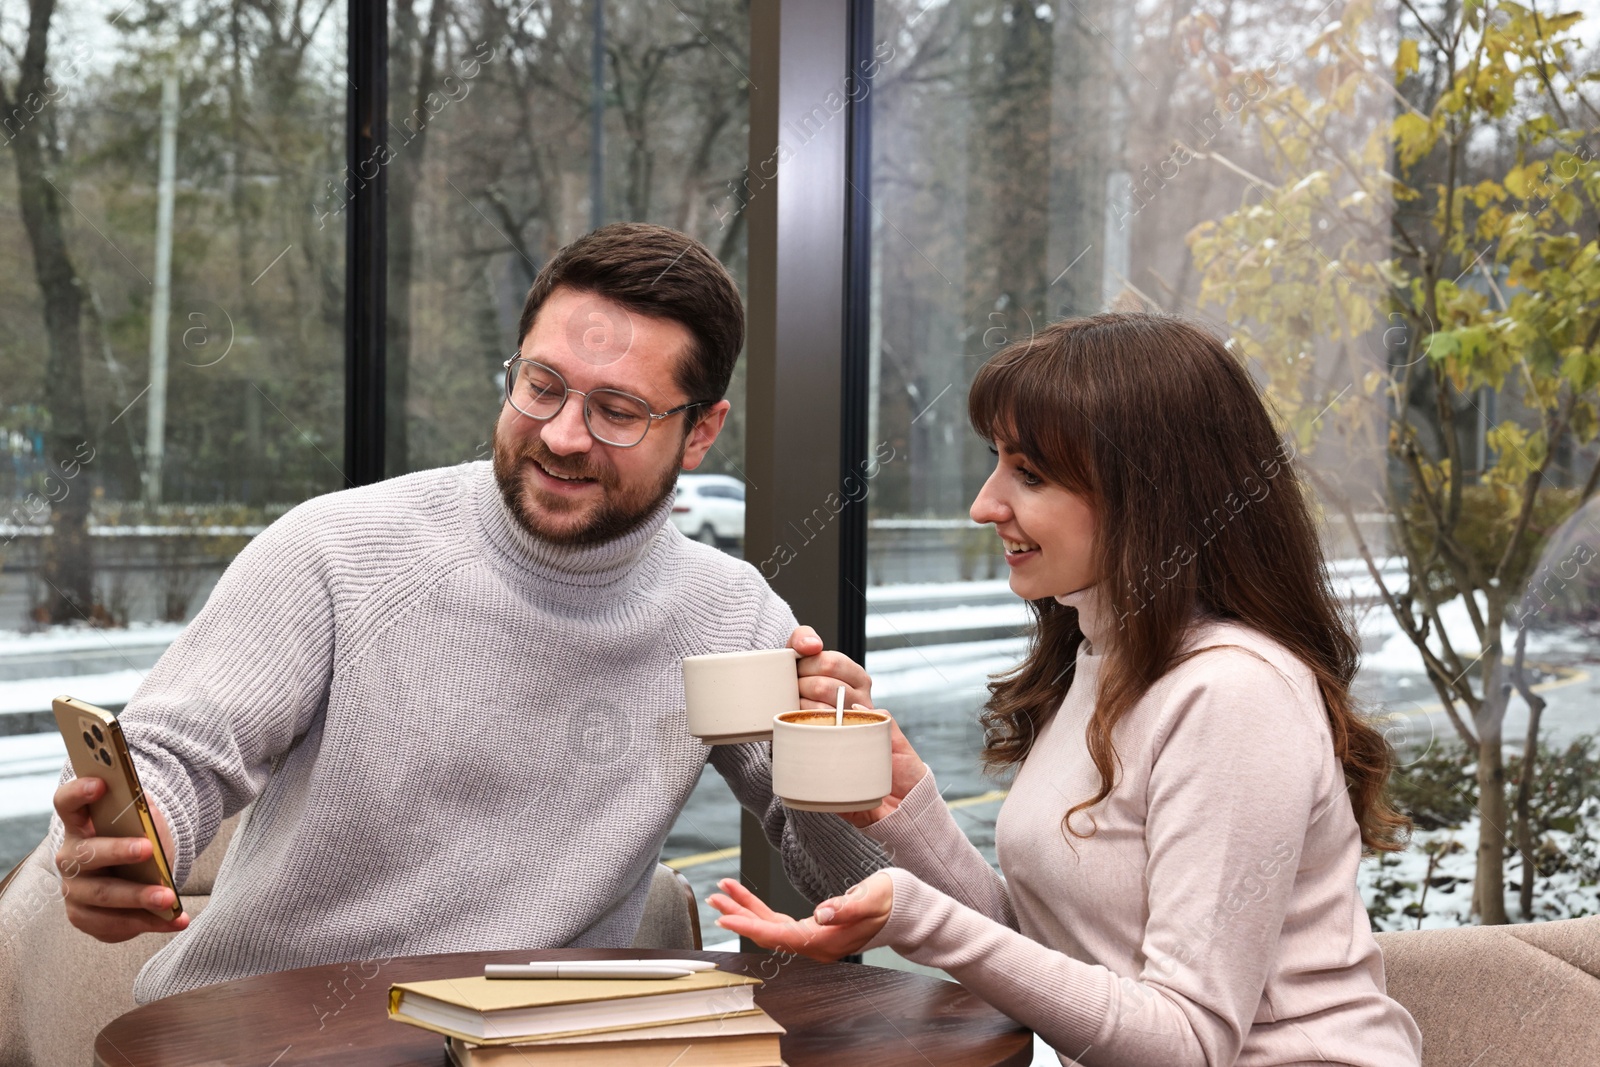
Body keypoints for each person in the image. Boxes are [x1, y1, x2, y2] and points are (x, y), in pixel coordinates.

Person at [50, 222, 887, 1004]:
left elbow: (853, 885)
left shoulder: (730, 613)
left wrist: (841, 760)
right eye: (542, 385)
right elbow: (174, 755)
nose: (562, 435)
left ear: (700, 433)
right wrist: (127, 840)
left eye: (617, 412)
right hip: (258, 1036)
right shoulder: (340, 549)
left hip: (531, 1044)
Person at [710, 313, 1425, 1066]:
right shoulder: (1104, 658)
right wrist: (907, 810)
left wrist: (915, 917)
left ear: (1146, 495)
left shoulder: (1232, 693)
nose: (985, 504)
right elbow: (1056, 950)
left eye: (1030, 473)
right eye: (997, 463)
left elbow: (1188, 1041)